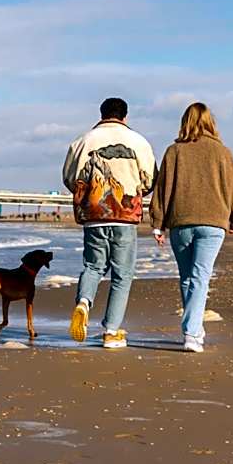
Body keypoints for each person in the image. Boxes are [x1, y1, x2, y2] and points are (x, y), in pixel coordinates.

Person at [149, 102, 233, 353]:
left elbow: (163, 189)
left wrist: (157, 223)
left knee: (189, 278)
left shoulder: (174, 152)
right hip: (213, 223)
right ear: (210, 122)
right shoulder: (222, 152)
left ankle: (193, 330)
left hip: (181, 223)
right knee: (199, 277)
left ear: (185, 122)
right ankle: (192, 333)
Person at [62, 97, 157, 348]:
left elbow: (70, 178)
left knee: (93, 266)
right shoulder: (139, 142)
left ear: (101, 114)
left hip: (93, 217)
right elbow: (149, 180)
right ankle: (111, 331)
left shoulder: (81, 141)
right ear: (125, 116)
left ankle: (83, 302)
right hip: (125, 218)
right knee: (122, 275)